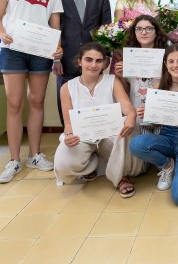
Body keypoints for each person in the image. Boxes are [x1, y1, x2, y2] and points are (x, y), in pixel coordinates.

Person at [0, 0, 63, 184]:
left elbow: (55, 28)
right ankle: (13, 159)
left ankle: (34, 154)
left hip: (40, 52)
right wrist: (3, 35)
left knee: (37, 101)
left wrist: (57, 49)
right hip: (13, 49)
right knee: (14, 104)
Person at [129, 44, 178, 206]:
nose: (175, 65)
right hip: (167, 137)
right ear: (165, 64)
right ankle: (167, 164)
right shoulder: (159, 87)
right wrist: (147, 115)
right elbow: (154, 121)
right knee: (137, 144)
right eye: (171, 61)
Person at [54, 42, 138, 197]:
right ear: (80, 61)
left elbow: (127, 107)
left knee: (128, 130)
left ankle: (121, 177)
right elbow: (68, 123)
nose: (93, 65)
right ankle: (91, 165)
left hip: (111, 137)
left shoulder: (112, 81)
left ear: (105, 63)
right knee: (63, 162)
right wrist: (70, 136)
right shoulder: (67, 87)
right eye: (88, 60)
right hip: (83, 137)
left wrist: (131, 116)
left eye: (99, 61)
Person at [56, 0, 112, 125]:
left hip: (94, 62)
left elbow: (106, 29)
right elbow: (52, 28)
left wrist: (107, 56)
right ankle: (69, 137)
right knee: (66, 103)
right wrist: (54, 59)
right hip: (65, 61)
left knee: (96, 104)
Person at [114, 15, 169, 137]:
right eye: (138, 29)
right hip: (138, 112)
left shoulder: (167, 56)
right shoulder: (129, 57)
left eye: (149, 28)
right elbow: (127, 90)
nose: (143, 32)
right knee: (140, 149)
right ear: (134, 33)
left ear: (156, 32)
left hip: (161, 111)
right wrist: (121, 76)